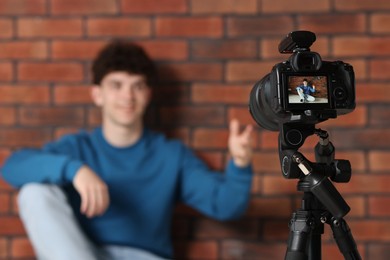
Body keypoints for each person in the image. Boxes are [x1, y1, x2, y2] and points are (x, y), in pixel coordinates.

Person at [1, 40, 254, 260]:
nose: (128, 96)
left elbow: (226, 205)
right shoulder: (76, 149)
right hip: (82, 254)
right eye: (117, 85)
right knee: (34, 191)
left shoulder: (171, 155)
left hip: (146, 256)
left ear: (148, 94)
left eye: (138, 86)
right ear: (97, 94)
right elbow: (12, 166)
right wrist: (75, 171)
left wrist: (240, 164)